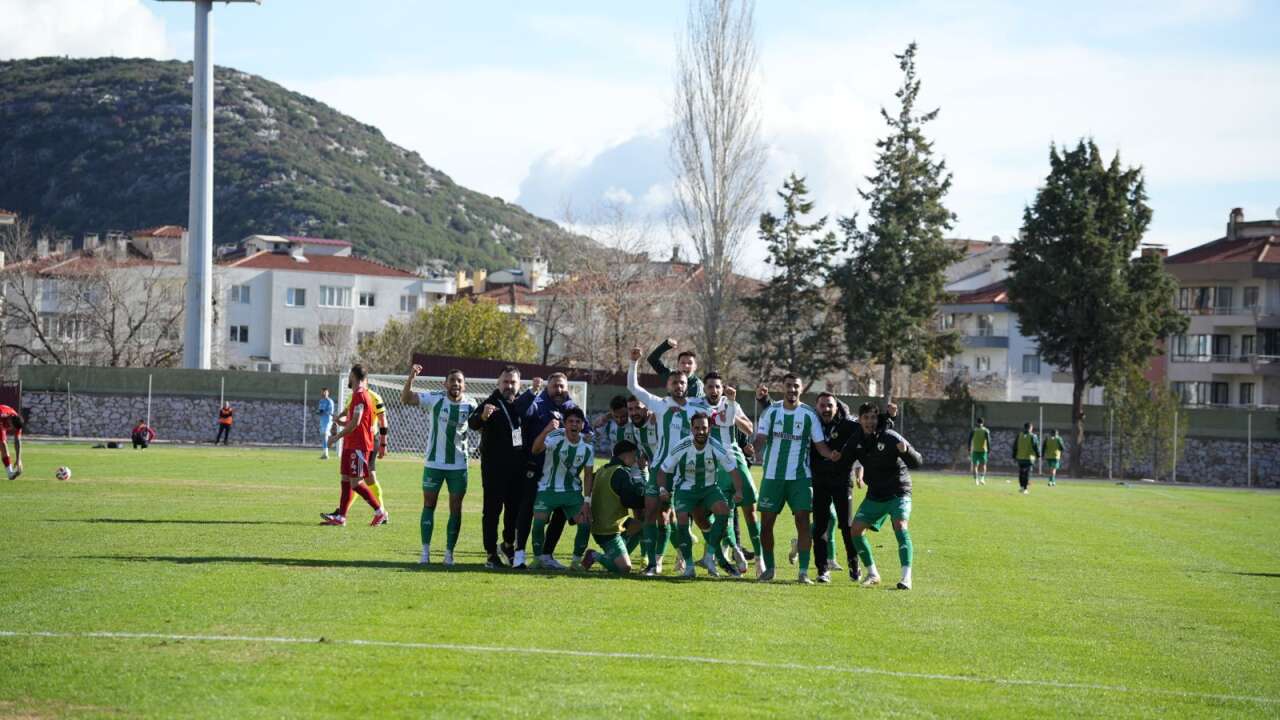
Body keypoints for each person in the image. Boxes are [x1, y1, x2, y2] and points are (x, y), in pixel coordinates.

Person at [627, 346, 711, 576]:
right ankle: (655, 564)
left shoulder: (697, 406)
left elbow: (719, 407)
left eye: (682, 383)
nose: (678, 386)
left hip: (686, 471)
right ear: (668, 386)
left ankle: (699, 558)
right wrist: (634, 362)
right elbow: (633, 387)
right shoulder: (660, 404)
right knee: (652, 513)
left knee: (682, 517)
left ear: (687, 384)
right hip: (660, 468)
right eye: (674, 383)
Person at [750, 374, 839, 584]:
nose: (792, 390)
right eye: (788, 386)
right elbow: (761, 438)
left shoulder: (809, 414)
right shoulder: (771, 412)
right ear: (783, 388)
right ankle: (770, 568)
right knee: (766, 525)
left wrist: (832, 455)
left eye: (796, 387)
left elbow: (820, 445)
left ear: (801, 389)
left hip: (800, 478)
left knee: (803, 522)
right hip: (772, 477)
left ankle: (803, 572)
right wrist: (753, 448)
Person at [402, 365, 476, 566]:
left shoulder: (471, 404)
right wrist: (411, 379)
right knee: (429, 505)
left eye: (459, 381)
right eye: (452, 380)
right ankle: (425, 553)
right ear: (445, 384)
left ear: (464, 385)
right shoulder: (435, 398)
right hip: (434, 463)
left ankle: (449, 554)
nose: (456, 384)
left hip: (459, 466)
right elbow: (406, 399)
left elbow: (483, 425)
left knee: (456, 509)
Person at [658, 413, 746, 578]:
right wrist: (663, 489)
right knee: (682, 520)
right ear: (691, 429)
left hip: (709, 489)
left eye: (704, 428)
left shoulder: (715, 445)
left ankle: (709, 555)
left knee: (724, 512)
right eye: (697, 428)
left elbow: (733, 470)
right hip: (686, 490)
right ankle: (689, 566)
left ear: (709, 429)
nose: (700, 431)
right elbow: (663, 470)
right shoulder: (682, 445)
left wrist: (739, 490)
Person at [468, 365, 538, 569]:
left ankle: (507, 544)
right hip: (494, 471)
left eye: (513, 382)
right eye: (505, 382)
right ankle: (490, 553)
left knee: (514, 511)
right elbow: (472, 423)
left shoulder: (523, 404)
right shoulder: (490, 403)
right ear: (498, 384)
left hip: (518, 469)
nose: (509, 386)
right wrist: (482, 417)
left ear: (519, 384)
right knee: (492, 511)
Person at [848, 402, 923, 590]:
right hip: (876, 493)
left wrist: (907, 452)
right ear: (860, 419)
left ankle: (906, 578)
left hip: (899, 490)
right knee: (855, 530)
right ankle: (873, 573)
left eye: (873, 417)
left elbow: (917, 461)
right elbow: (844, 458)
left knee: (900, 525)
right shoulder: (856, 439)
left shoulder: (890, 436)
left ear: (877, 418)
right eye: (865, 417)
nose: (869, 421)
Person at [513, 372, 580, 570]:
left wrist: (588, 436)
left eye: (562, 386)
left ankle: (547, 554)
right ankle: (519, 554)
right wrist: (531, 391)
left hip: (561, 474)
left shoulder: (572, 409)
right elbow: (521, 410)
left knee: (560, 512)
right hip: (537, 469)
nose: (558, 390)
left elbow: (586, 431)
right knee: (527, 510)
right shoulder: (538, 403)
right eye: (554, 386)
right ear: (547, 387)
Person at [702, 372, 758, 575]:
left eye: (717, 387)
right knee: (717, 512)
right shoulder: (697, 405)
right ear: (704, 389)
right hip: (709, 464)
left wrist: (732, 410)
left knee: (747, 510)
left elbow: (750, 429)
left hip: (733, 460)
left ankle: (758, 558)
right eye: (710, 387)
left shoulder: (730, 403)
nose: (714, 390)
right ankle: (729, 551)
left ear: (722, 388)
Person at [320, 365, 387, 527]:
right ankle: (341, 517)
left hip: (359, 444)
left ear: (353, 376)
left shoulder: (361, 395)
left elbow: (356, 424)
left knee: (356, 483)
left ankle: (380, 512)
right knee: (345, 479)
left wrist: (336, 437)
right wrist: (340, 421)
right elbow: (354, 421)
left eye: (350, 375)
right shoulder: (357, 395)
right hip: (351, 443)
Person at [529, 407, 596, 570]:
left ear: (582, 425)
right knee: (538, 523)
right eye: (570, 421)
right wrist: (546, 430)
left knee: (586, 523)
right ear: (565, 424)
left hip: (572, 492)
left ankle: (575, 561)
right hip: (548, 489)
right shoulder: (555, 436)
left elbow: (588, 476)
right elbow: (535, 449)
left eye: (577, 422)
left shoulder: (587, 448)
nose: (574, 425)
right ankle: (538, 559)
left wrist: (587, 501)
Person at [810, 393, 862, 583]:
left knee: (847, 526)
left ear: (836, 407)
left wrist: (889, 418)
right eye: (822, 405)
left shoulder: (848, 425)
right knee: (820, 527)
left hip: (841, 481)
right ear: (816, 407)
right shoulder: (811, 423)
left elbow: (868, 425)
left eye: (829, 405)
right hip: (819, 481)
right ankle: (822, 570)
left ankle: (853, 564)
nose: (826, 409)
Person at [582, 439, 647, 574]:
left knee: (641, 527)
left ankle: (620, 556)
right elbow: (631, 501)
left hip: (605, 523)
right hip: (609, 530)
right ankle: (595, 555)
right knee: (624, 568)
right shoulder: (621, 473)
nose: (636, 459)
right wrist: (641, 478)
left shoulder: (602, 469)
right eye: (635, 455)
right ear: (626, 455)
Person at [332, 383, 390, 517]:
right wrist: (339, 419)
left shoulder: (374, 397)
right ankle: (342, 512)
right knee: (355, 478)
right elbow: (349, 416)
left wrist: (383, 443)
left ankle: (381, 511)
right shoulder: (352, 396)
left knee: (365, 478)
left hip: (368, 441)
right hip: (353, 441)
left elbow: (382, 420)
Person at [1013, 422, 1040, 494]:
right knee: (1027, 473)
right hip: (1029, 458)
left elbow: (1015, 446)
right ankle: (1025, 488)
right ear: (1030, 428)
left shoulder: (1019, 435)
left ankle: (1021, 487)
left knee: (1021, 472)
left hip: (1020, 457)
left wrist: (1014, 456)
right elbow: (1036, 446)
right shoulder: (1033, 436)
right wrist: (1038, 455)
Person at [0, 405, 25, 479]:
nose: (11, 429)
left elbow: (17, 440)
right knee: (3, 443)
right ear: (10, 420)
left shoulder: (17, 420)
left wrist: (18, 459)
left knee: (3, 444)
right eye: (12, 427)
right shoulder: (2, 414)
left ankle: (10, 473)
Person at [970, 417, 991, 485]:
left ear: (977, 422)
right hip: (983, 450)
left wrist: (968, 447)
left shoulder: (974, 430)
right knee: (983, 465)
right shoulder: (986, 431)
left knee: (975, 465)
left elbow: (969, 439)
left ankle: (977, 480)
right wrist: (989, 448)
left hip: (976, 450)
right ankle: (982, 478)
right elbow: (988, 440)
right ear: (983, 423)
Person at [317, 388, 335, 459]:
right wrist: (318, 412)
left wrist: (323, 412)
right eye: (322, 392)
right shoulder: (321, 401)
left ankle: (326, 453)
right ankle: (325, 453)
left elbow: (330, 412)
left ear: (328, 393)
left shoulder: (329, 401)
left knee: (325, 434)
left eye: (325, 392)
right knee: (323, 436)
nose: (323, 394)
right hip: (322, 420)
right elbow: (320, 410)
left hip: (328, 420)